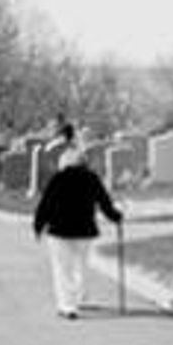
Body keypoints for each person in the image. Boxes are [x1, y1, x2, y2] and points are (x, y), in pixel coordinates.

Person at [33, 135, 123, 319]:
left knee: (62, 269)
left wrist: (38, 226)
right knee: (81, 265)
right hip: (85, 231)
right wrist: (116, 217)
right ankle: (81, 297)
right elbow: (105, 203)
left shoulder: (58, 179)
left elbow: (45, 206)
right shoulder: (92, 178)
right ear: (83, 162)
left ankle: (68, 306)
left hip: (60, 231)